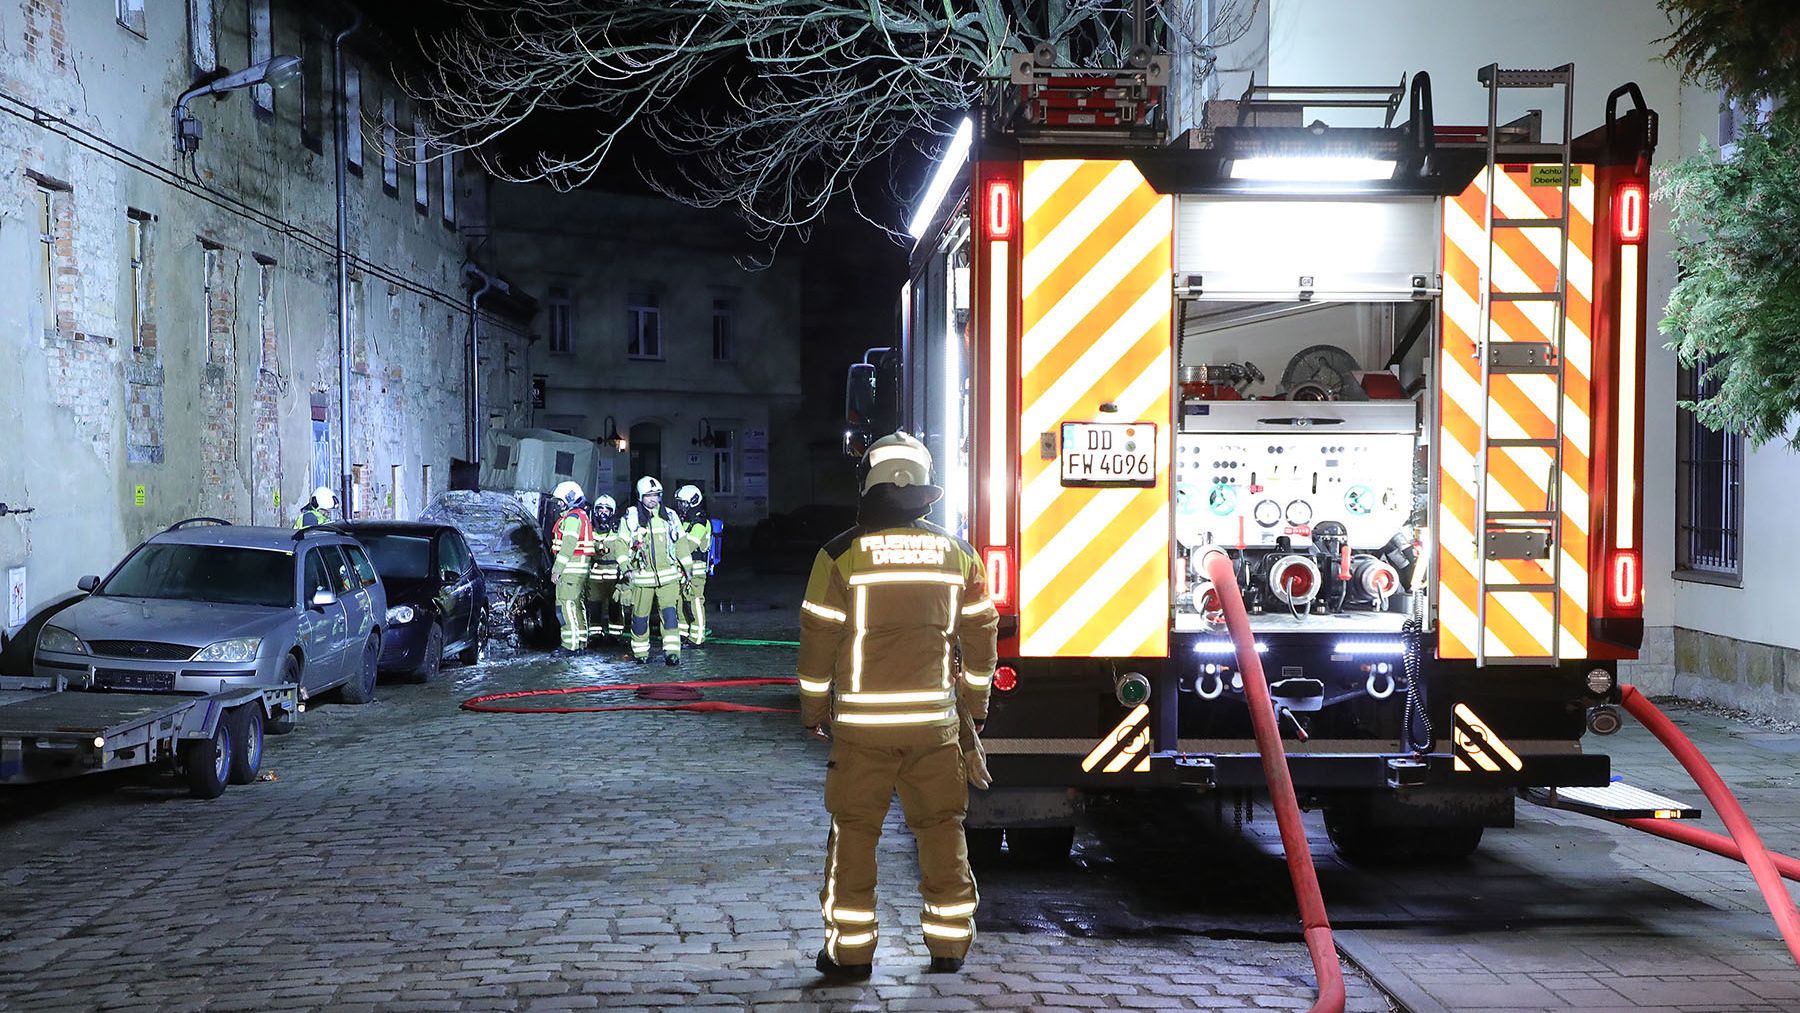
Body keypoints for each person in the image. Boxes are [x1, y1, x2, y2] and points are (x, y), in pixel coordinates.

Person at [797, 431, 999, 979]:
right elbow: (981, 637)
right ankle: (950, 946)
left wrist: (813, 711)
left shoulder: (838, 555)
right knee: (941, 830)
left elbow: (818, 641)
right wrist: (974, 705)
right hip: (934, 730)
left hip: (863, 733)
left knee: (855, 835)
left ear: (869, 483)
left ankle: (851, 954)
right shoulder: (959, 554)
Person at [619, 476, 687, 665]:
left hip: (668, 578)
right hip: (642, 579)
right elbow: (621, 544)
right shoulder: (631, 517)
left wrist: (687, 568)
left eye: (656, 495)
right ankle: (641, 654)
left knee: (670, 617)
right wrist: (626, 568)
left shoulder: (670, 516)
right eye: (648, 495)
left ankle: (672, 653)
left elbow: (681, 543)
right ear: (640, 496)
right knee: (640, 619)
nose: (653, 499)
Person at [549, 481, 594, 654]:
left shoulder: (572, 518)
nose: (559, 504)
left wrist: (556, 570)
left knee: (565, 606)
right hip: (579, 570)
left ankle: (570, 645)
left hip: (570, 569)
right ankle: (581, 641)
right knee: (576, 605)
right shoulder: (580, 516)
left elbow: (568, 546)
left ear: (570, 499)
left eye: (560, 501)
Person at [673, 485, 712, 646]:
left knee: (695, 601)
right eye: (679, 503)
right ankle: (682, 633)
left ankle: (698, 637)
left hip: (696, 569)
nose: (681, 506)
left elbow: (689, 546)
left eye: (684, 503)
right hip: (682, 568)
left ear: (694, 502)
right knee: (680, 600)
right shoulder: (684, 521)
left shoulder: (700, 522)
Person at [586, 495, 626, 643]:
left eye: (607, 509)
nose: (603, 512)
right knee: (594, 605)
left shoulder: (618, 528)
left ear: (612, 512)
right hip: (596, 575)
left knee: (615, 605)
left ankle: (615, 635)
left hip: (614, 573)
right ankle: (595, 634)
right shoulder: (590, 528)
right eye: (600, 509)